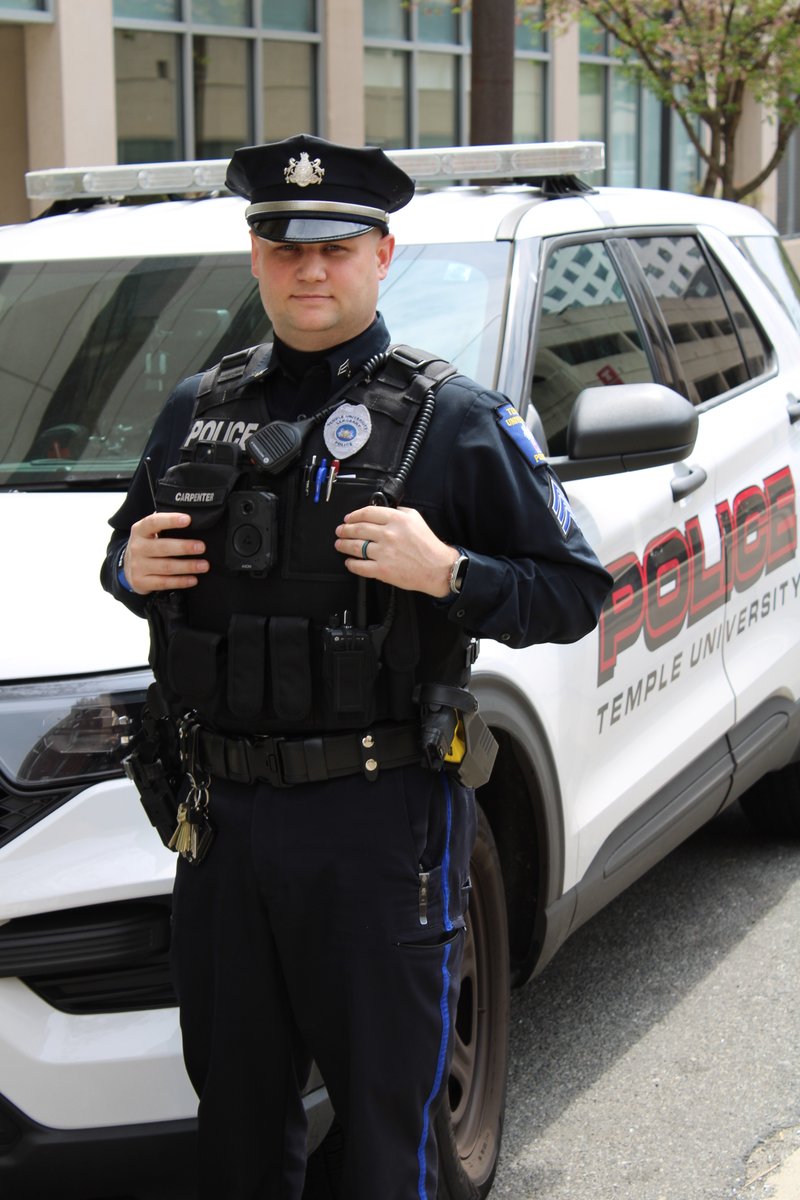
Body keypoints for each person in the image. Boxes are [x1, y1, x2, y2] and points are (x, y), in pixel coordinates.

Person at [101, 133, 612, 1200]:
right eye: (284, 248)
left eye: (335, 248)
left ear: (382, 255)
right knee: (235, 1123)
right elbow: (132, 554)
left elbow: (574, 592)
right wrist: (126, 563)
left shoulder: (451, 418)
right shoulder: (198, 406)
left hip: (374, 825)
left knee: (387, 1134)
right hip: (221, 821)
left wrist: (449, 573)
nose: (310, 270)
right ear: (254, 255)